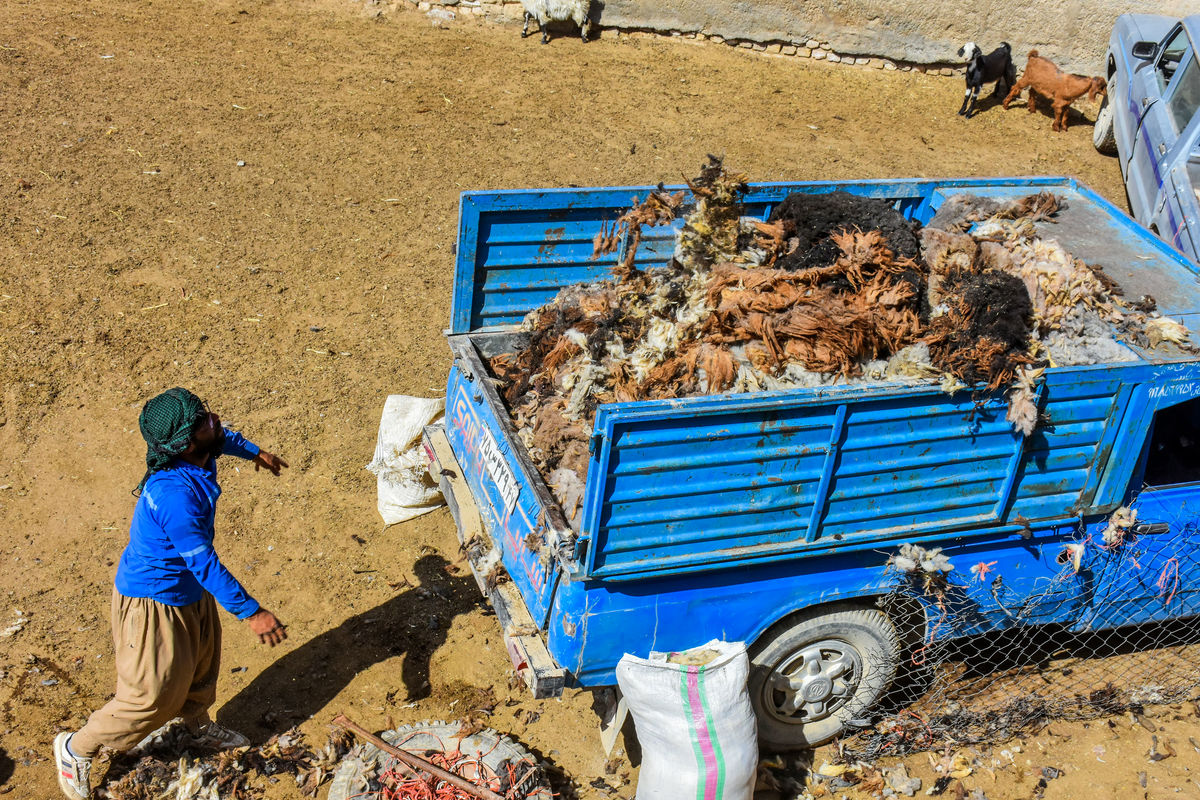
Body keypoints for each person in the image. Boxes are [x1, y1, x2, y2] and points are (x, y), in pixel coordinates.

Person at [54, 387, 289, 800]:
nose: (213, 419)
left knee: (201, 666)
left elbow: (224, 438)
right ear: (184, 444)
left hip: (188, 591)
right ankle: (77, 748)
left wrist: (256, 453)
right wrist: (252, 613)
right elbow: (205, 564)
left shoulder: (200, 450)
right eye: (202, 421)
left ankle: (196, 725)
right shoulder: (175, 496)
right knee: (150, 696)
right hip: (153, 602)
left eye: (204, 412)